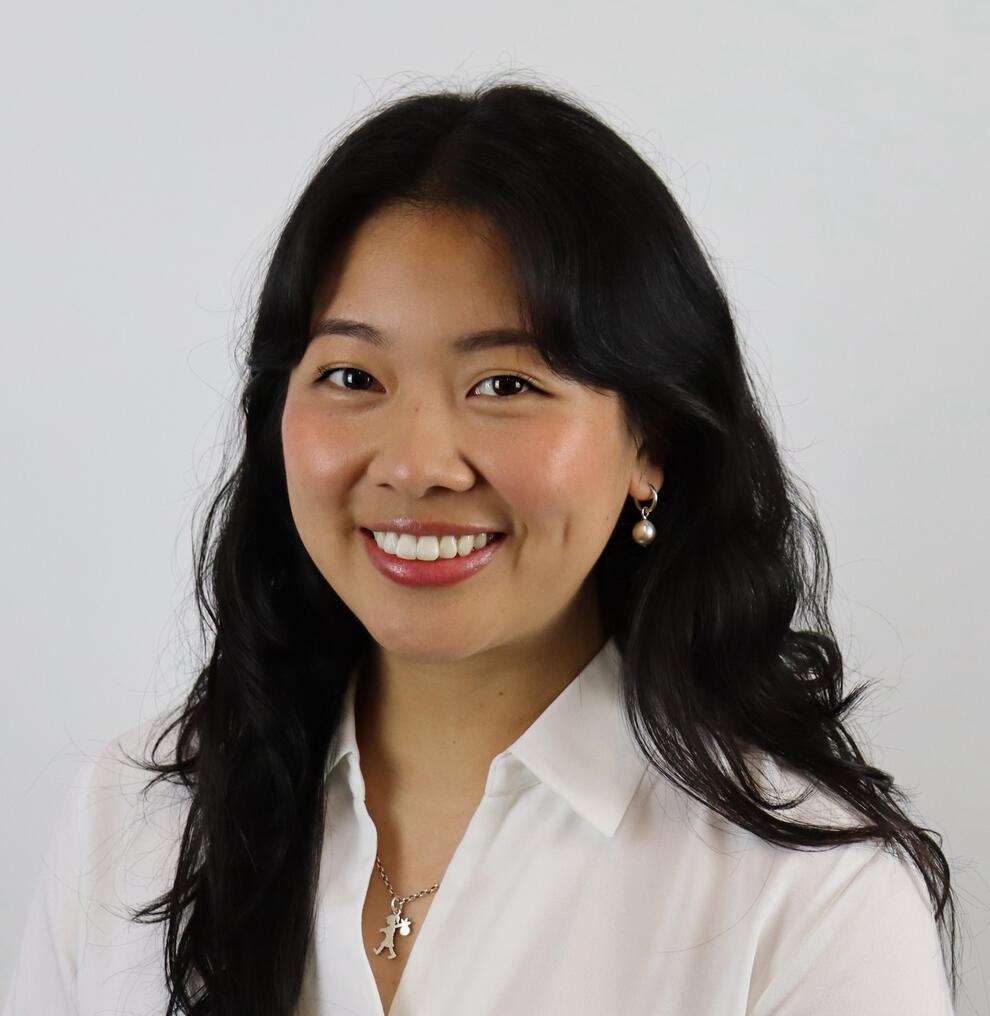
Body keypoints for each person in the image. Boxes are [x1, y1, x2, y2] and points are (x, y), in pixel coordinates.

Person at [4, 80, 955, 1016]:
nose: (416, 466)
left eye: (505, 385)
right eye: (351, 376)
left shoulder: (809, 902)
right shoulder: (131, 823)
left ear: (652, 444)